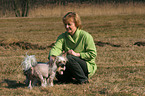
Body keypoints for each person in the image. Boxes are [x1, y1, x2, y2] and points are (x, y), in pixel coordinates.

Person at [48, 12, 97, 84]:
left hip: (86, 66)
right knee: (58, 70)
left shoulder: (86, 36)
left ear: (76, 24)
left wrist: (77, 54)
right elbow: (56, 48)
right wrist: (52, 57)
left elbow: (92, 54)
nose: (67, 27)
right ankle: (69, 79)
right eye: (65, 24)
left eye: (69, 24)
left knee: (70, 58)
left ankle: (83, 80)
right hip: (70, 64)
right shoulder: (62, 37)